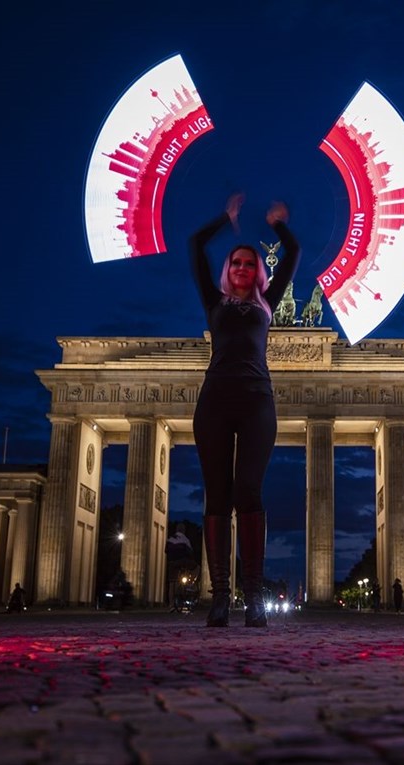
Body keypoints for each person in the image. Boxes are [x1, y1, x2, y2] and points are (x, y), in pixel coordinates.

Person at [190, 192, 300, 628]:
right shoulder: (213, 303)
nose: (241, 268)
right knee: (217, 494)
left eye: (249, 263)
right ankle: (220, 598)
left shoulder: (267, 303)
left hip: (258, 401)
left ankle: (253, 598)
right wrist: (226, 218)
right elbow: (195, 246)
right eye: (236, 262)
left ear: (258, 272)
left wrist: (277, 224)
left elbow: (293, 253)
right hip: (215, 400)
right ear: (227, 269)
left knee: (248, 494)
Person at [165, 523, 195, 612]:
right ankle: (191, 584)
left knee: (171, 583)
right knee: (196, 568)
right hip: (183, 563)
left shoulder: (170, 539)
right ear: (184, 530)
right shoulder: (185, 540)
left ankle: (171, 605)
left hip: (172, 563)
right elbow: (191, 552)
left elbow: (166, 551)